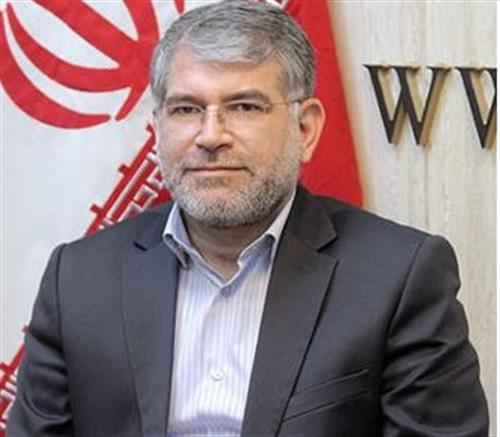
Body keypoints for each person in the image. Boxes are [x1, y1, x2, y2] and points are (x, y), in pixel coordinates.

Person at [7, 1, 488, 436]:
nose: (210, 135)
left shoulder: (399, 277)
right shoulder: (78, 279)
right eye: (186, 108)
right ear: (157, 127)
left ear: (306, 128)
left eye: (243, 107)